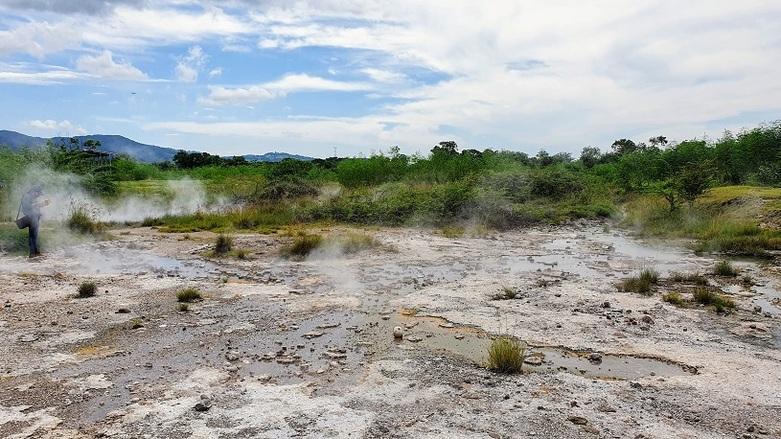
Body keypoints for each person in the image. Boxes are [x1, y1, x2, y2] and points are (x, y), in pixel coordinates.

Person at [20, 185, 49, 258]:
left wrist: (42, 205)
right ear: (34, 192)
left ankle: (36, 252)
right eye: (38, 193)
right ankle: (32, 253)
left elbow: (34, 207)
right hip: (31, 218)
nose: (39, 195)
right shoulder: (27, 196)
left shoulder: (32, 197)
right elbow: (26, 207)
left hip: (35, 217)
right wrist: (38, 204)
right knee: (32, 236)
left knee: (35, 235)